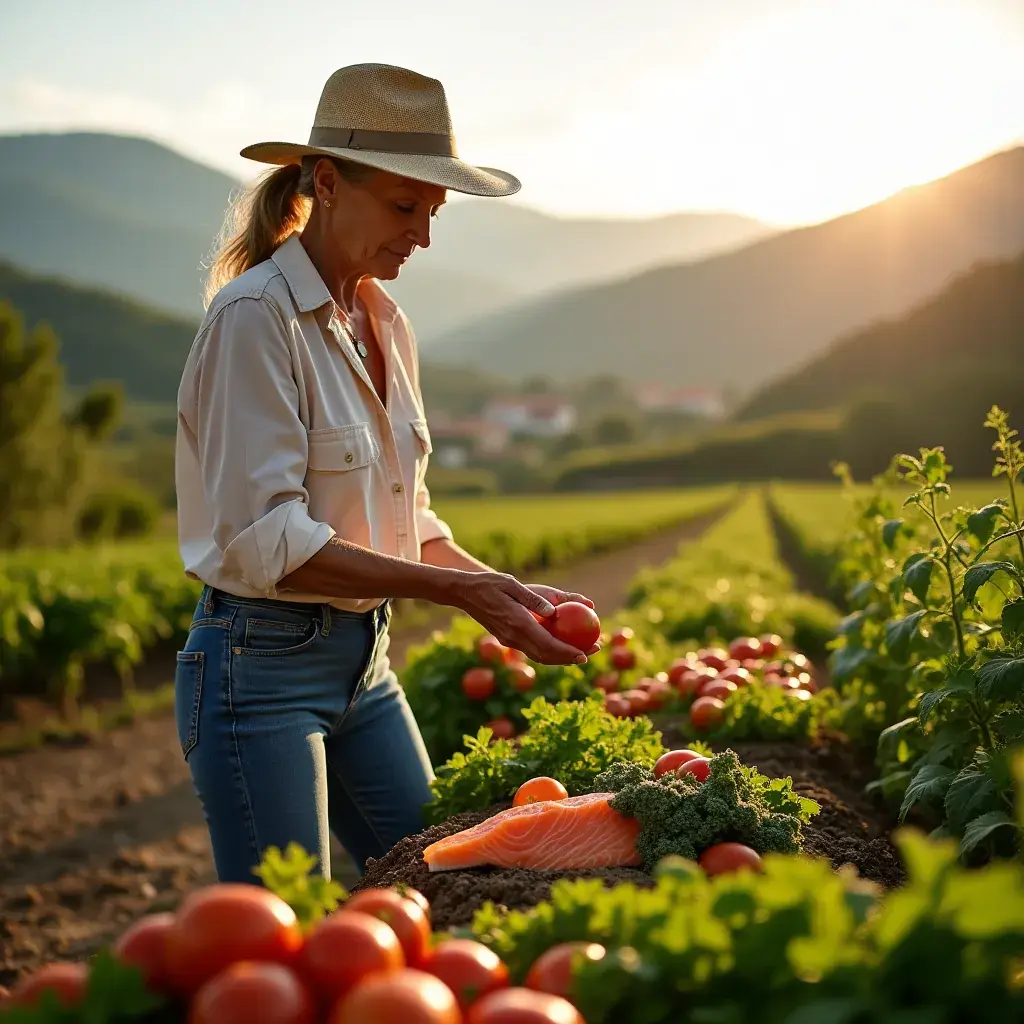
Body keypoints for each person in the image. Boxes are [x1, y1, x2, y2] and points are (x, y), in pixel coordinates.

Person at [174, 63, 598, 885]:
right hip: (258, 668)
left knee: (440, 884)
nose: (424, 235)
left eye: (433, 212)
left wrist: (500, 588)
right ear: (326, 183)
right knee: (284, 930)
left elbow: (411, 521)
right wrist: (460, 597)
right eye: (408, 207)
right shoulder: (255, 321)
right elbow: (272, 542)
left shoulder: (384, 321)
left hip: (365, 663)